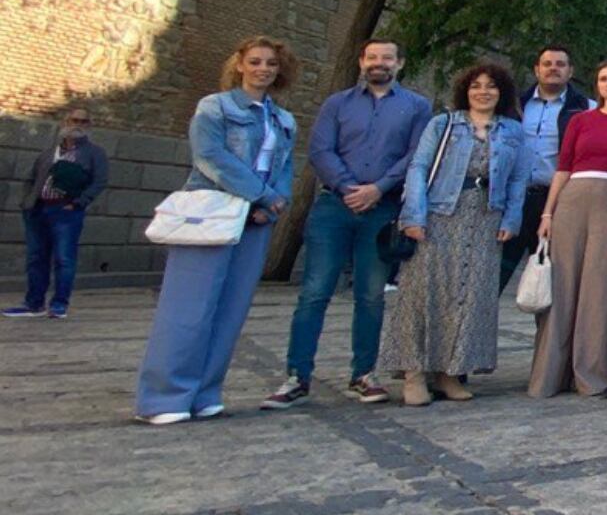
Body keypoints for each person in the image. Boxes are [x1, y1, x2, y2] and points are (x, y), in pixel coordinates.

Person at [134, 37, 298, 425]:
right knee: (189, 308)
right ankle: (164, 397)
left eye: (271, 64)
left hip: (256, 219)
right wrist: (261, 196)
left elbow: (286, 168)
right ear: (239, 65)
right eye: (255, 62)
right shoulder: (215, 107)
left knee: (231, 309)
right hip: (212, 211)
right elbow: (210, 157)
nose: (263, 69)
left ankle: (206, 392)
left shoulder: (284, 119)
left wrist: (274, 206)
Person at [262, 39, 430, 410]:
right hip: (334, 207)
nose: (379, 63)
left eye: (387, 57)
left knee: (370, 296)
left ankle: (363, 374)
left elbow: (416, 156)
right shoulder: (337, 103)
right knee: (314, 292)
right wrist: (347, 187)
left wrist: (378, 188)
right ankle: (296, 376)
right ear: (361, 61)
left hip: (383, 209)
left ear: (399, 63)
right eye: (372, 57)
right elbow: (321, 150)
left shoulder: (417, 107)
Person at [383, 62, 532, 406]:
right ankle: (414, 373)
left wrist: (511, 219)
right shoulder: (444, 124)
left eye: (491, 86)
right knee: (424, 293)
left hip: (485, 217)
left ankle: (450, 372)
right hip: (440, 213)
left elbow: (519, 177)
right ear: (466, 90)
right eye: (476, 85)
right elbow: (419, 168)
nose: (483, 91)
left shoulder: (512, 131)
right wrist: (414, 215)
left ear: (502, 92)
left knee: (468, 296)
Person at [528, 61, 607, 398]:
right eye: (603, 79)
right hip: (572, 201)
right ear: (597, 86)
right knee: (564, 284)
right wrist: (548, 213)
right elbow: (563, 168)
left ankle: (596, 367)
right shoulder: (580, 120)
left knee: (602, 285)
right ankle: (553, 373)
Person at [502, 44, 592, 294]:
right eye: (547, 64)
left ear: (570, 71)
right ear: (537, 69)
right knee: (495, 274)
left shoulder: (586, 108)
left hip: (556, 202)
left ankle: (549, 334)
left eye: (560, 64)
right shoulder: (514, 105)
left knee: (550, 282)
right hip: (514, 200)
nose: (553, 69)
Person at [7, 104, 109, 320]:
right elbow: (32, 177)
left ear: (89, 126)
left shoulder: (94, 153)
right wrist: (26, 202)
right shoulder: (49, 151)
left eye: (83, 122)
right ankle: (34, 304)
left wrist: (79, 203)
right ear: (65, 122)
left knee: (64, 259)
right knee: (36, 258)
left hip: (66, 212)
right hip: (37, 209)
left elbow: (99, 182)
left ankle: (59, 304)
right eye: (74, 120)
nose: (78, 125)